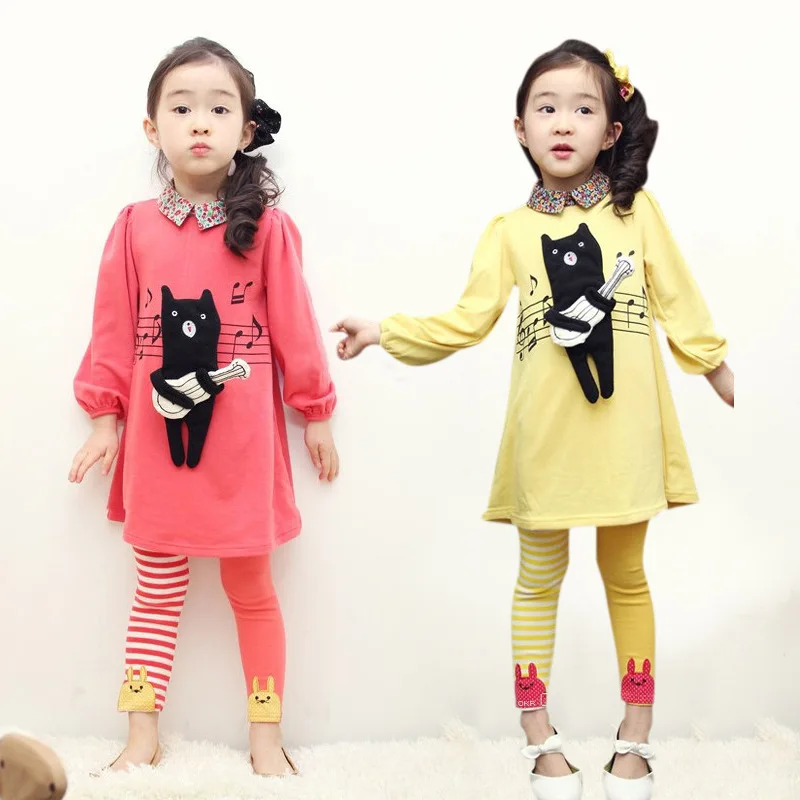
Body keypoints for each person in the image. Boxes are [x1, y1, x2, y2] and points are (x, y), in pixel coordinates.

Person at [332, 39, 733, 800]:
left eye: (583, 108)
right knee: (538, 581)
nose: (563, 122)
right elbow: (467, 320)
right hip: (544, 445)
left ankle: (636, 735)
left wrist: (722, 372)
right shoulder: (509, 231)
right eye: (546, 108)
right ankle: (538, 736)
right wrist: (384, 331)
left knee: (626, 577)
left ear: (611, 131)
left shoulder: (637, 214)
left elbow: (680, 302)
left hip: (626, 440)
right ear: (520, 128)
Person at [69, 37, 339, 777]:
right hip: (159, 448)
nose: (199, 122)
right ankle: (141, 737)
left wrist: (316, 411)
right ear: (151, 127)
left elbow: (296, 327)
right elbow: (112, 329)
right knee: (156, 592)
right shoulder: (133, 227)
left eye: (219, 110)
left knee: (252, 589)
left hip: (242, 450)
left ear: (246, 130)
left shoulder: (268, 229)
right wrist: (104, 418)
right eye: (181, 107)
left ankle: (265, 738)